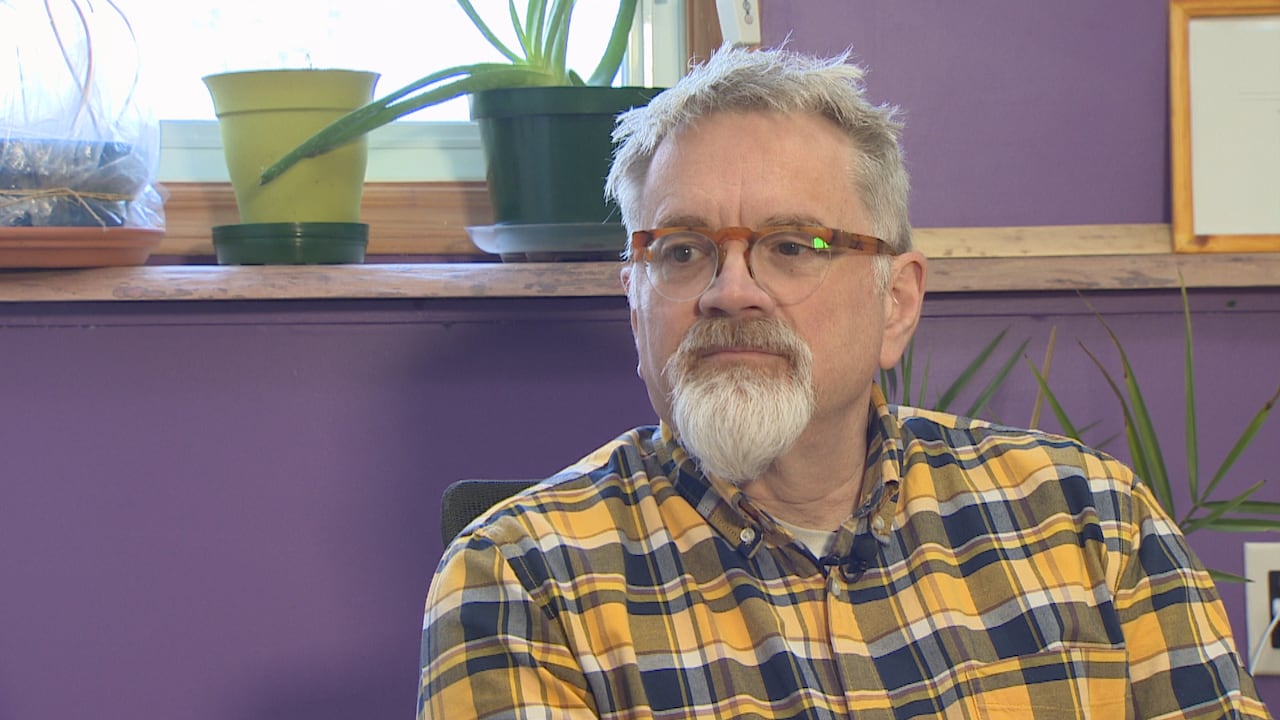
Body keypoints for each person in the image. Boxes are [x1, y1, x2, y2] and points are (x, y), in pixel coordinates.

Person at [417, 45, 1271, 719]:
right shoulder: (523, 580)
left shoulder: (1091, 523)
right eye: (682, 251)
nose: (729, 289)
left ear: (895, 302)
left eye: (793, 245)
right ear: (635, 303)